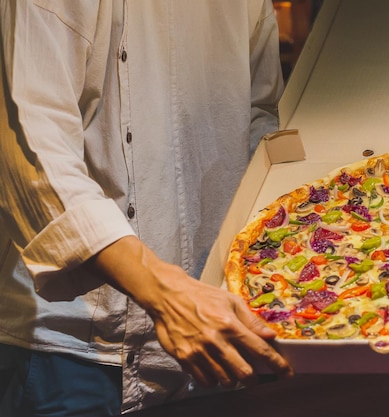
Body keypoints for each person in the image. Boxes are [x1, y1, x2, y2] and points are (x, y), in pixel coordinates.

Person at [0, 0, 293, 415]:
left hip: (212, 330)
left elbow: (259, 117)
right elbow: (34, 158)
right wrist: (167, 295)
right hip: (72, 349)